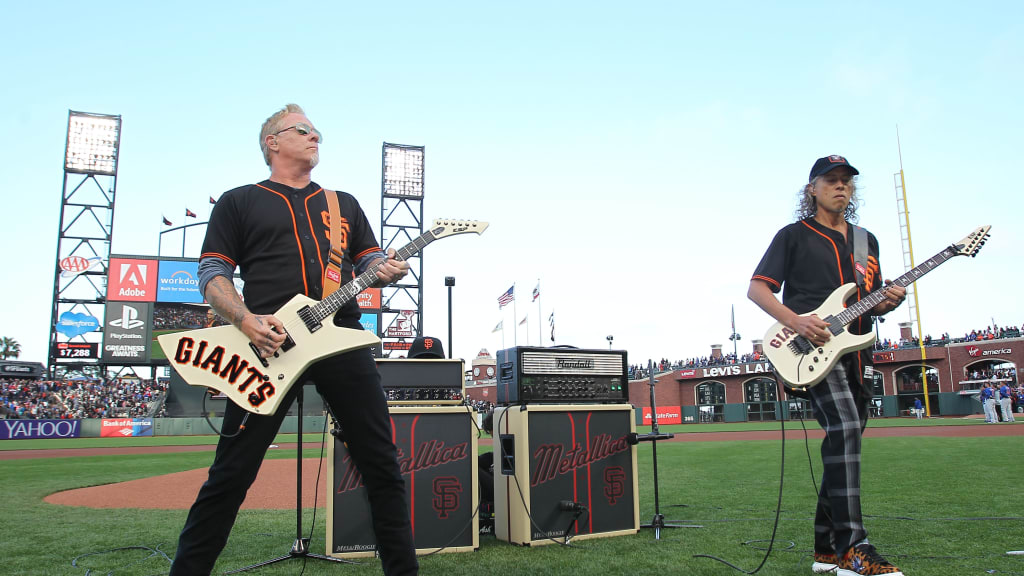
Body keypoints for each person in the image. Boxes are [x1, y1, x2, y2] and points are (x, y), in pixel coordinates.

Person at [168, 104, 418, 576]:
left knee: (382, 466)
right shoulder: (238, 200)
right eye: (303, 130)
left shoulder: (343, 203)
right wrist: (244, 319)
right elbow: (212, 271)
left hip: (341, 340)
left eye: (317, 131)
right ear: (273, 142)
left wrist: (384, 269)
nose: (315, 136)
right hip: (266, 347)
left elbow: (369, 262)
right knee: (231, 474)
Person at [748, 155, 906, 576]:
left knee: (844, 438)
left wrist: (891, 300)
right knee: (845, 428)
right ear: (812, 189)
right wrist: (794, 319)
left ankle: (825, 548)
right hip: (808, 346)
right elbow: (757, 289)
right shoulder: (793, 235)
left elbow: (869, 294)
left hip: (857, 351)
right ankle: (854, 546)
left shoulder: (865, 241)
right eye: (831, 180)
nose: (841, 187)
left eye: (847, 181)